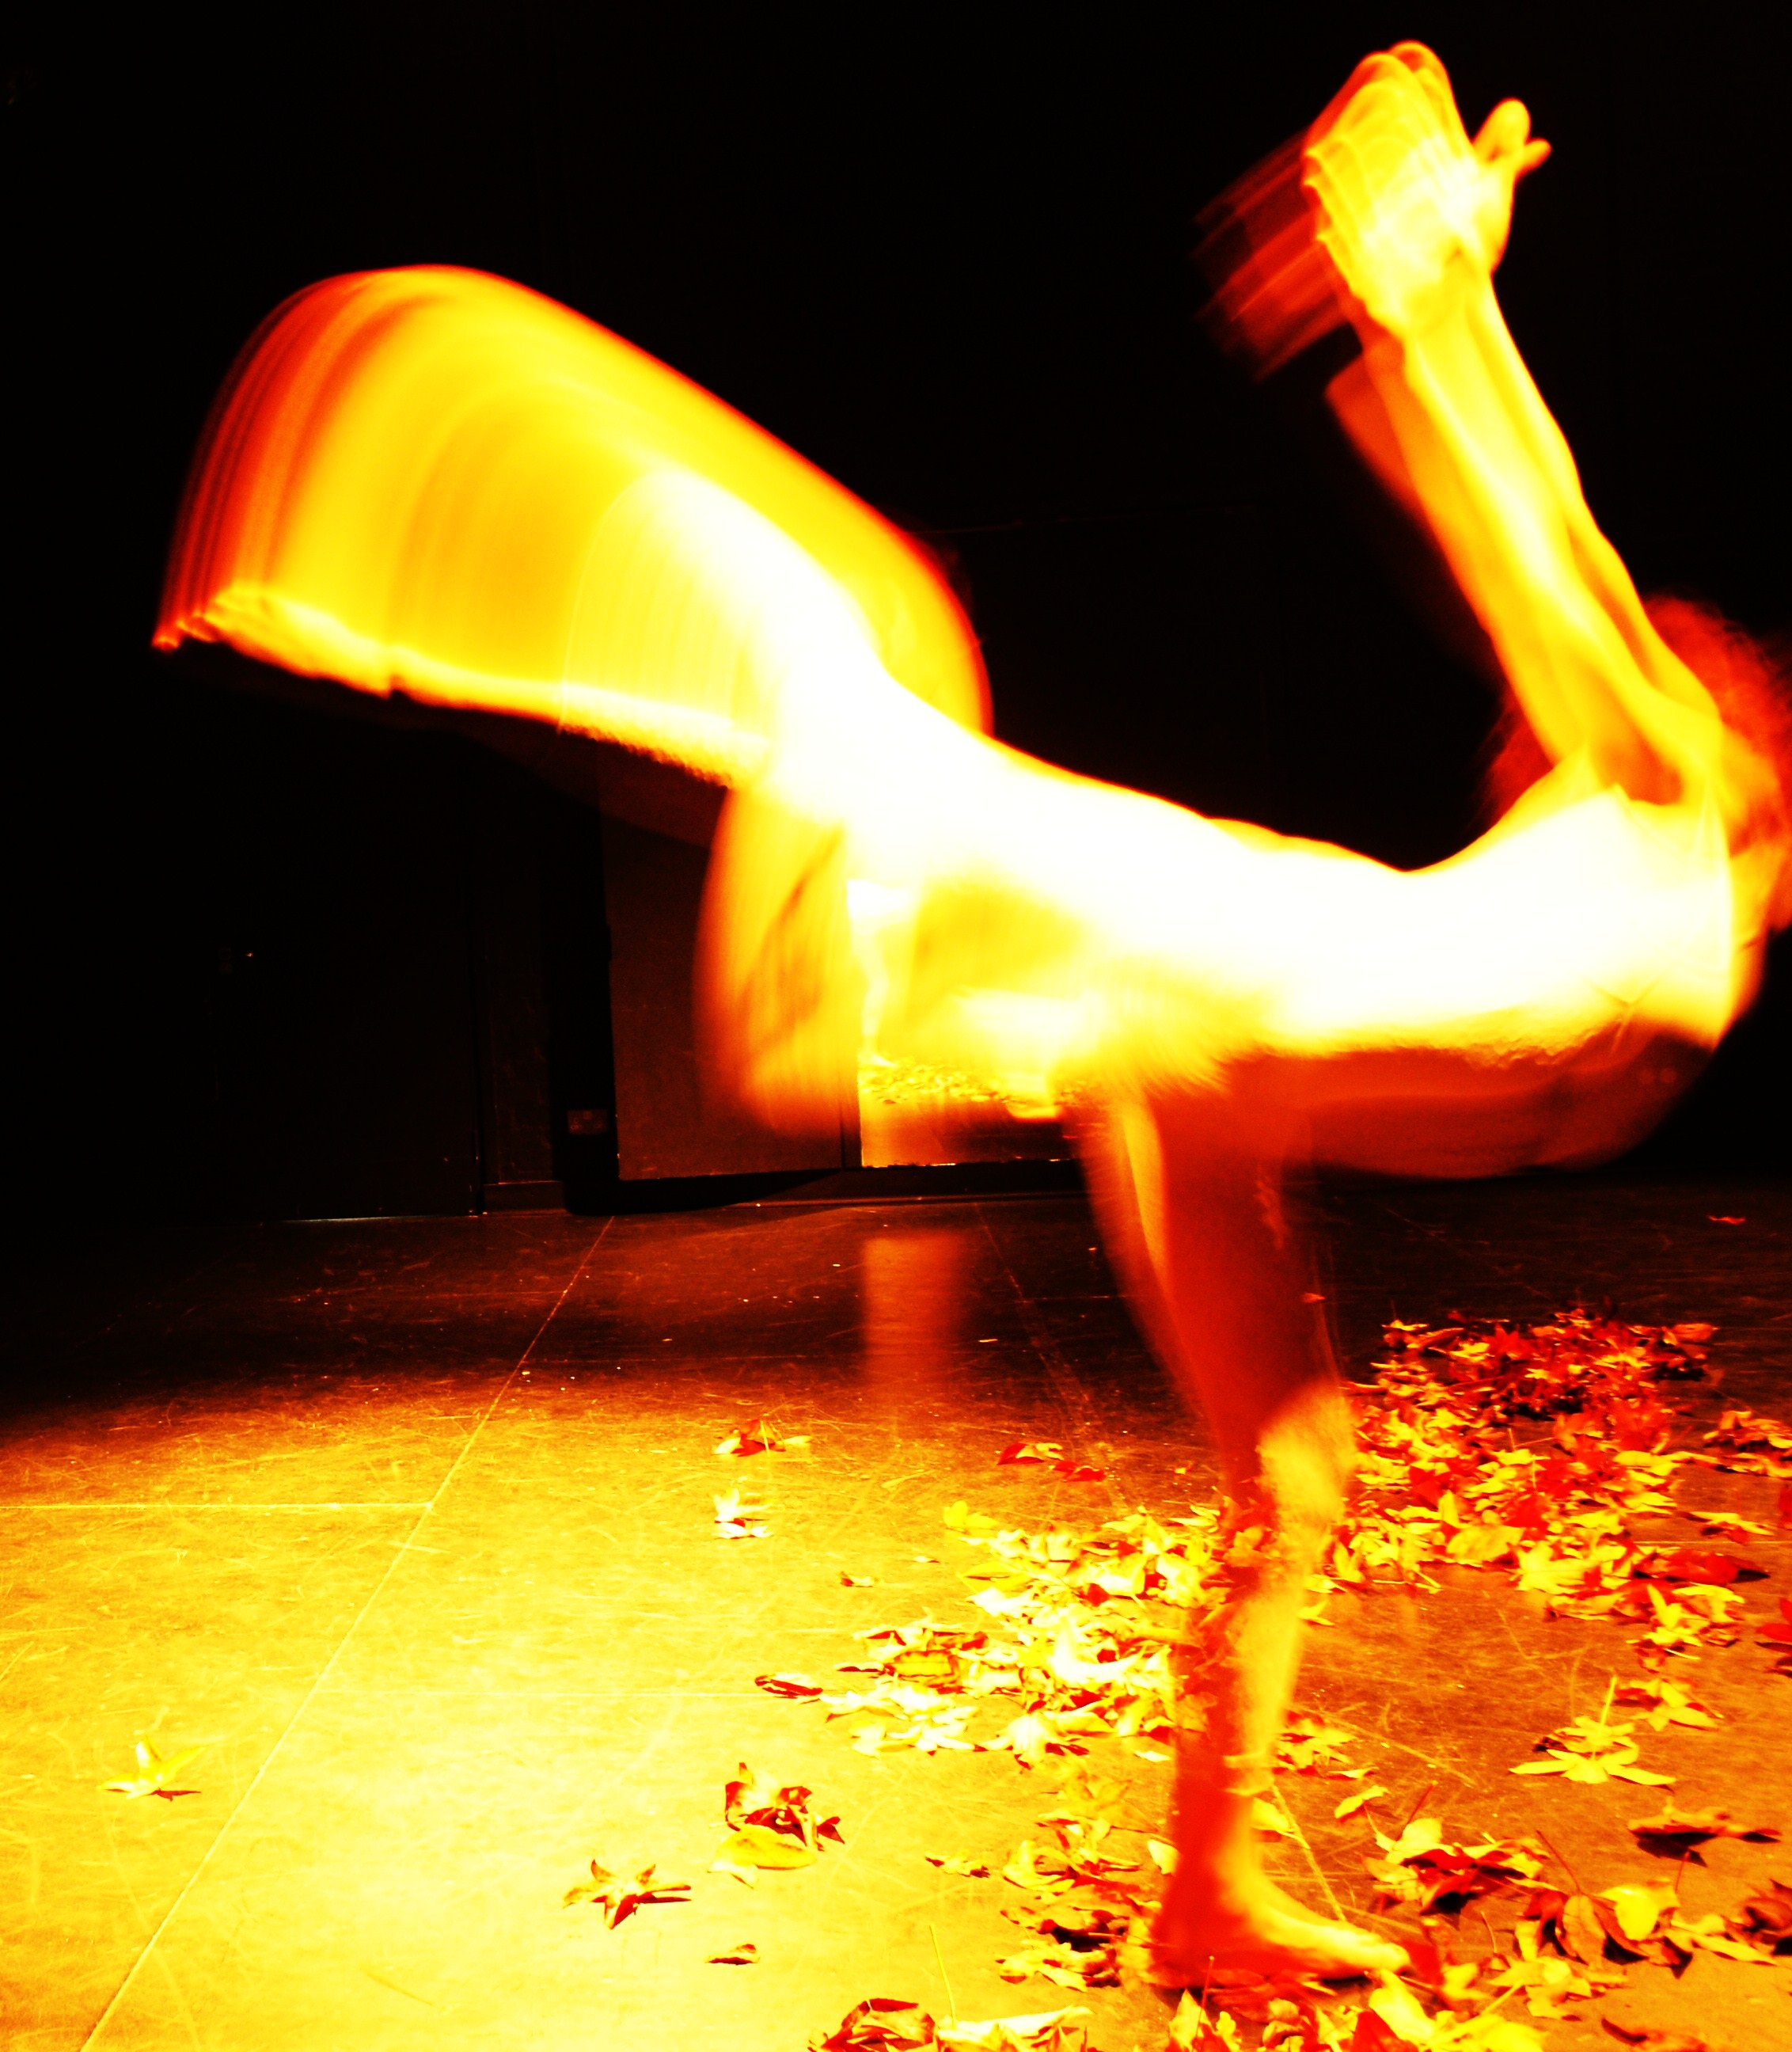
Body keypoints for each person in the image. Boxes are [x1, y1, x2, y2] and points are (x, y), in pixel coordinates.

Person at [155, 43, 1790, 1986]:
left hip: (1190, 1066)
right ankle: (422, 552)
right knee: (865, 677)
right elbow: (1539, 546)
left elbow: (1549, 563)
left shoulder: (1677, 807)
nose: (1582, 698)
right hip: (1217, 954)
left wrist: (1430, 308)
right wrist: (1434, 310)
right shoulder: (1635, 797)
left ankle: (1203, 1893)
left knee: (1293, 1480)